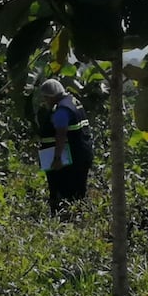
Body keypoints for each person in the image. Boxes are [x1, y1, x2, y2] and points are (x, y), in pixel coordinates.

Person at [39, 79, 93, 214]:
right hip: (81, 154)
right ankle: (78, 218)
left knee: (65, 192)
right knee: (79, 192)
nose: (45, 102)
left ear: (51, 96)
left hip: (69, 159)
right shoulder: (73, 101)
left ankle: (66, 219)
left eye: (46, 98)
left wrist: (57, 158)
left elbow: (61, 135)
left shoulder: (61, 111)